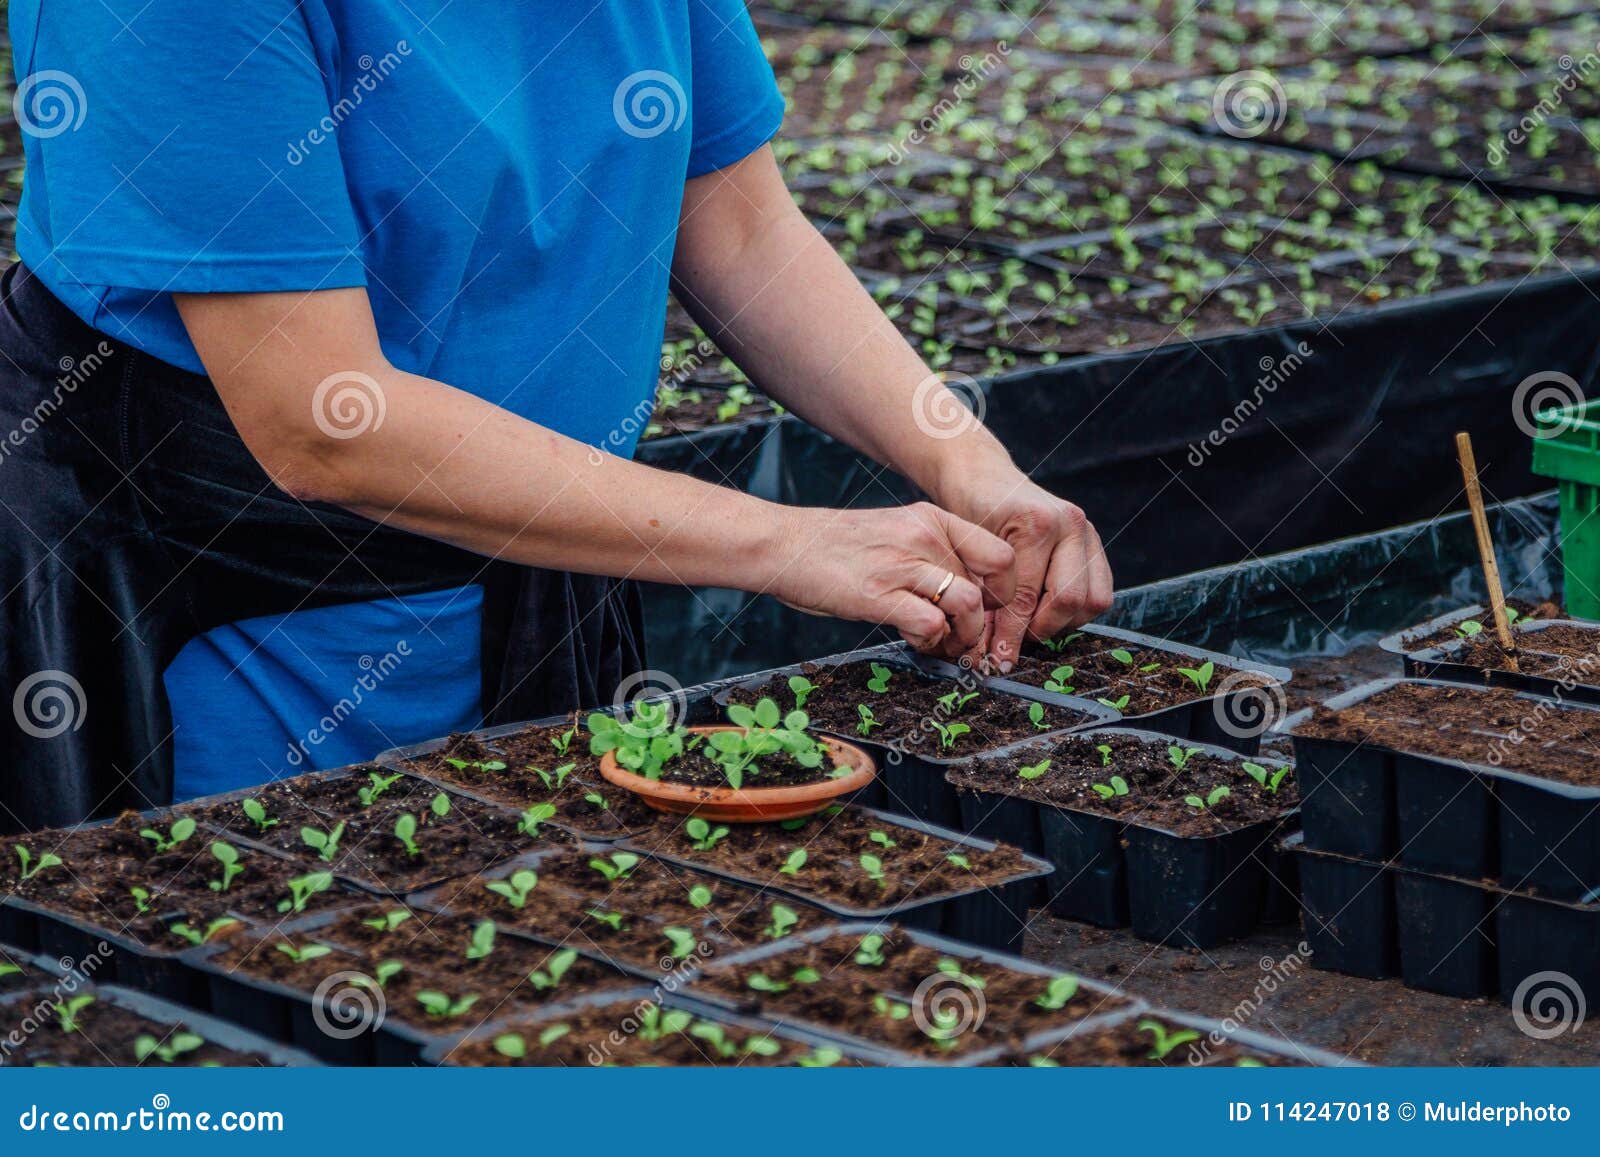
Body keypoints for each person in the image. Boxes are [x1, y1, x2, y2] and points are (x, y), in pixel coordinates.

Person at [0, 0, 1110, 832]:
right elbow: (319, 417)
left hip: (547, 550)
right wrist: (785, 541)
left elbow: (737, 223)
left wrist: (972, 466)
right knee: (279, 974)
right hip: (252, 609)